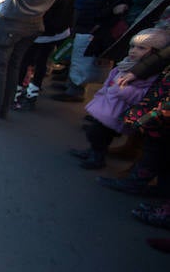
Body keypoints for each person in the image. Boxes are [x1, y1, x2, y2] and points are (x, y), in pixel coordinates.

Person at [70, 28, 170, 169]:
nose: (133, 51)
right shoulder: (126, 64)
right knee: (97, 134)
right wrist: (102, 93)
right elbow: (109, 81)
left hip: (118, 111)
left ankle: (97, 157)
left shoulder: (148, 74)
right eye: (132, 46)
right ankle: (93, 151)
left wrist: (121, 90)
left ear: (154, 52)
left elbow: (143, 95)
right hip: (107, 105)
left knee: (98, 134)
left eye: (141, 48)